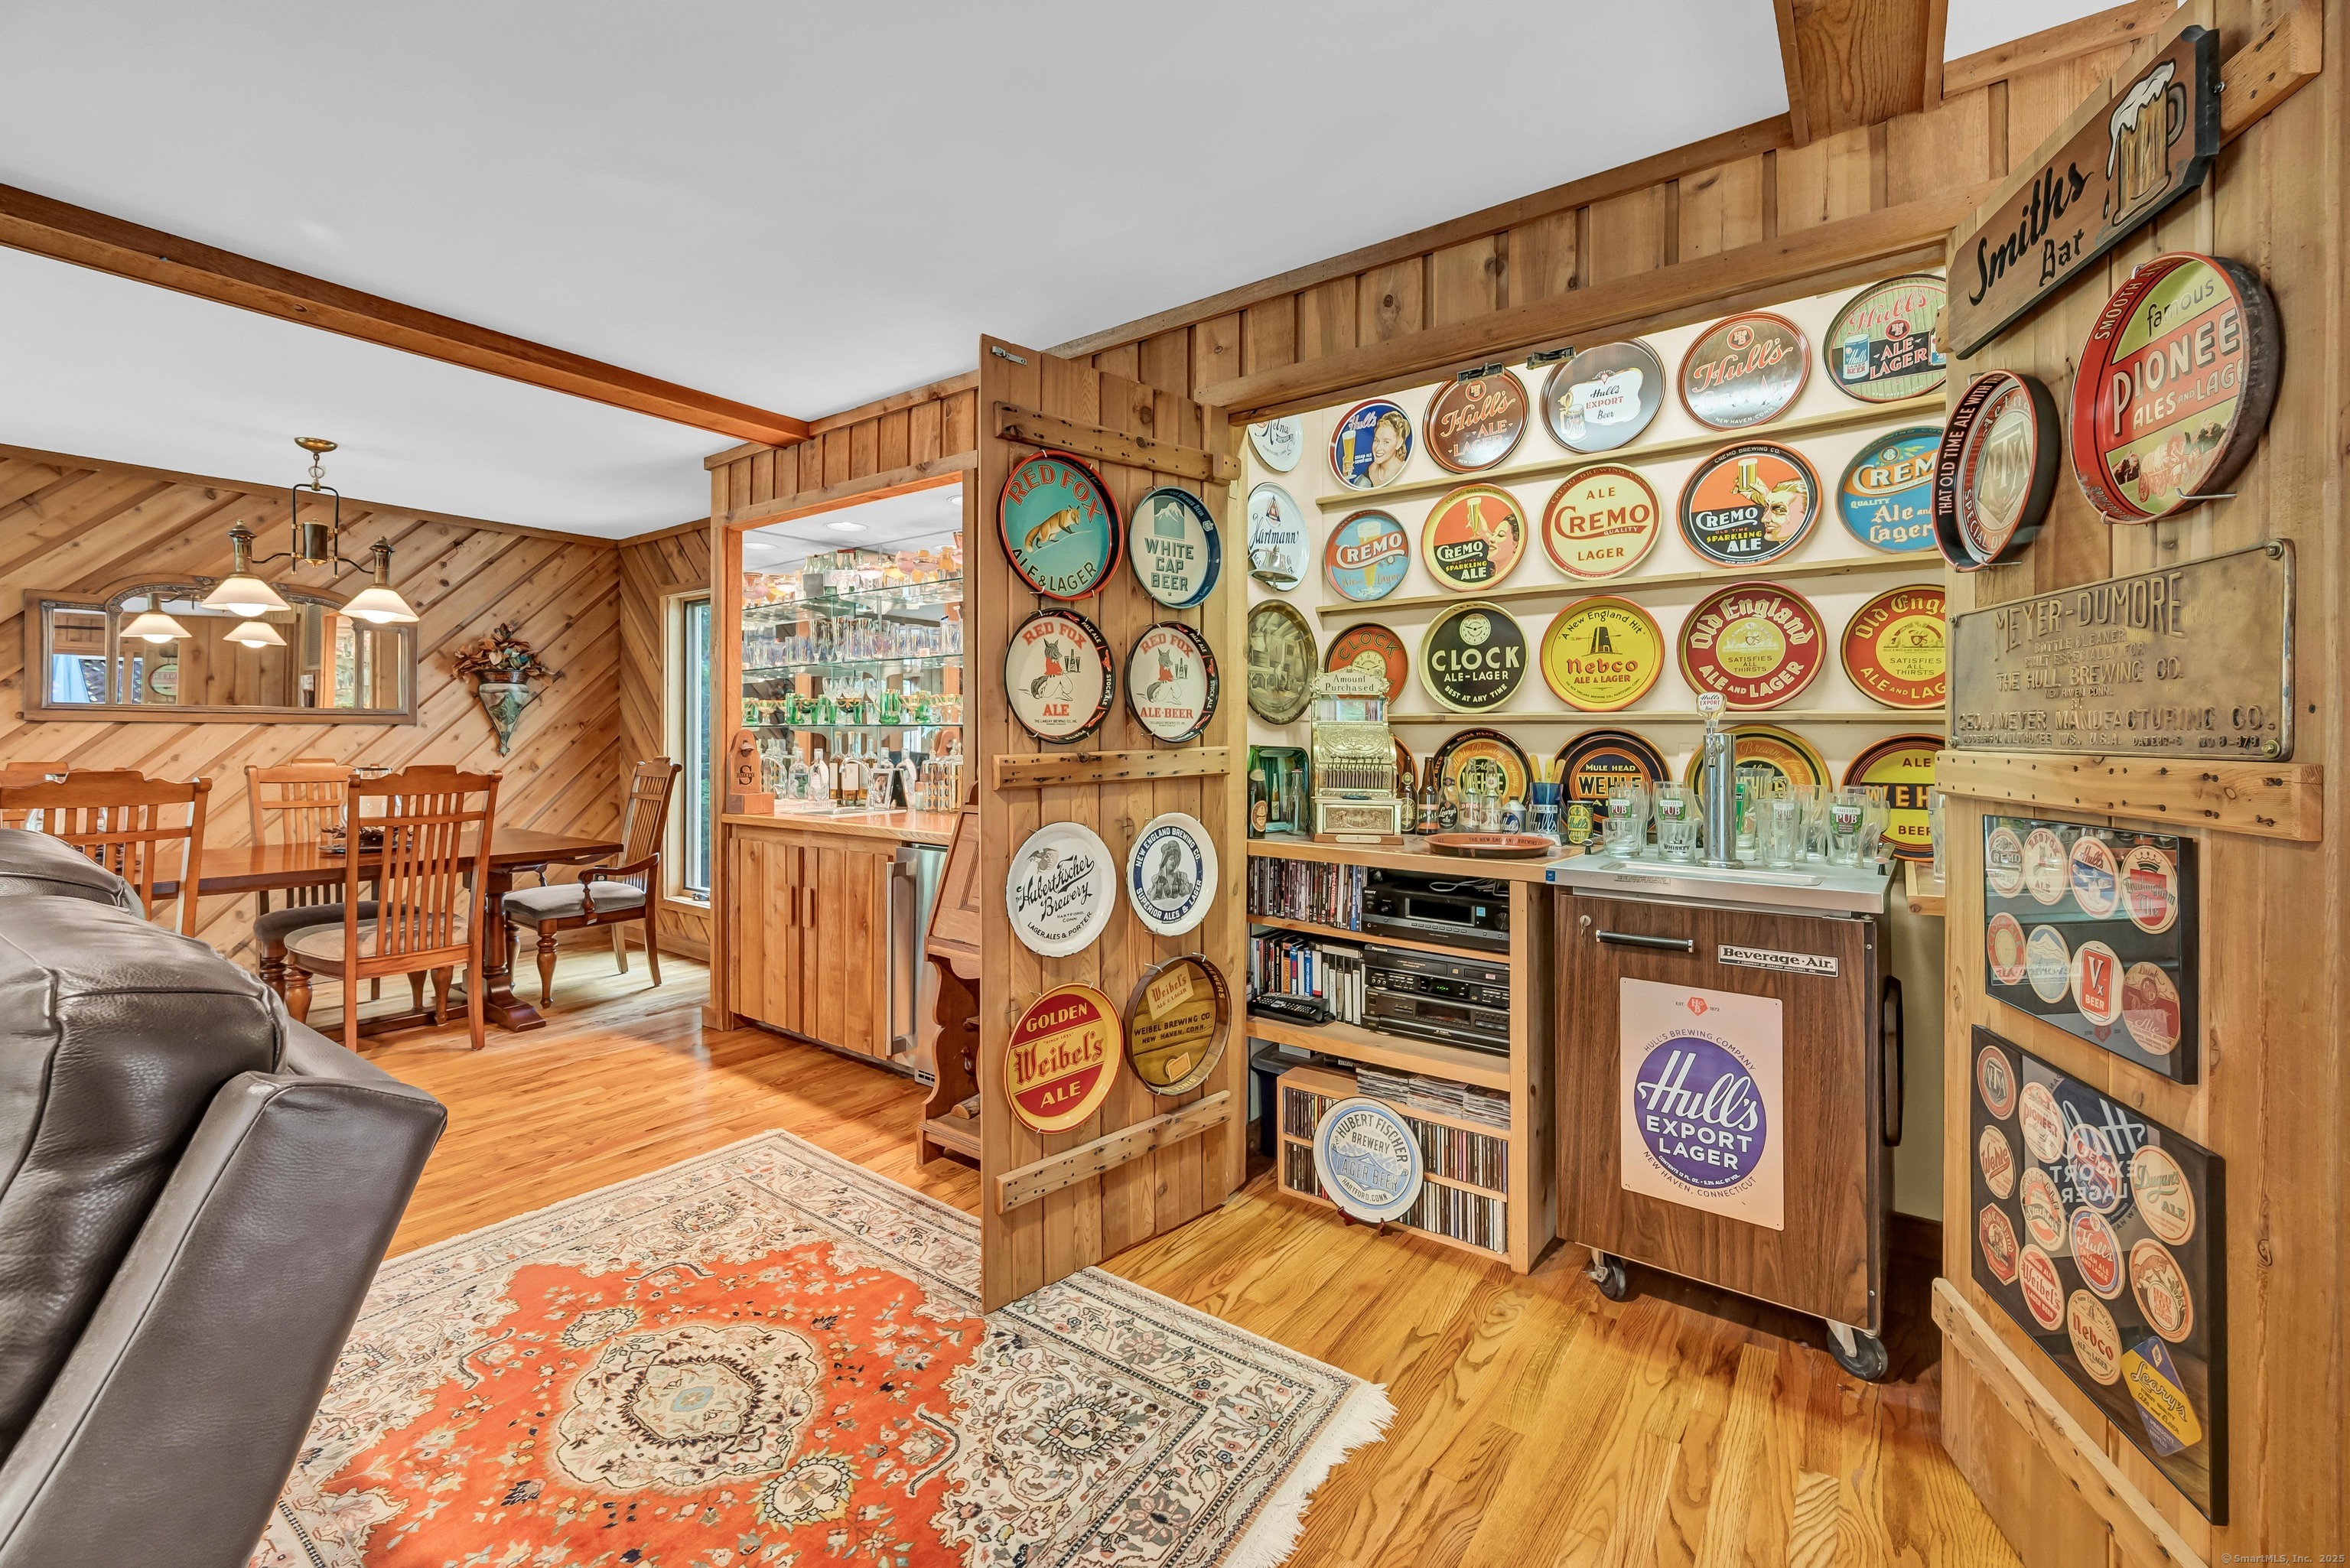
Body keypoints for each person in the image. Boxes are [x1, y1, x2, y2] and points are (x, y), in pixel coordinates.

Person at [1366, 409, 1411, 487]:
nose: (1378, 448)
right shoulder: (1368, 472)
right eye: (1376, 441)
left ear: (1399, 443)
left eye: (1386, 442)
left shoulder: (1407, 470)